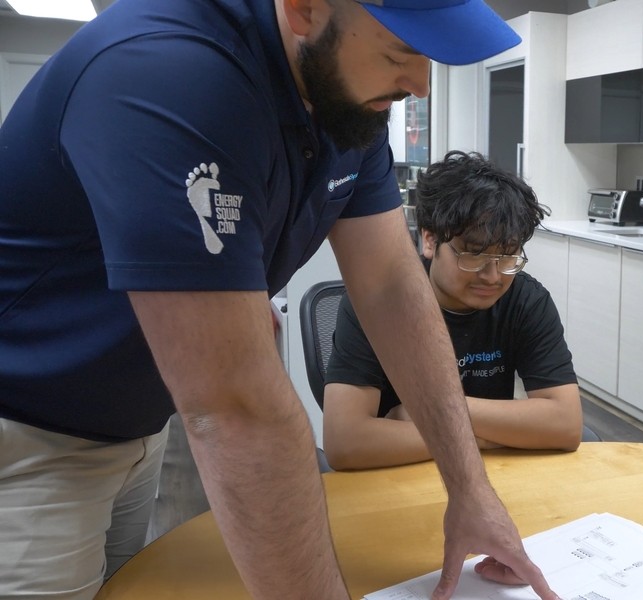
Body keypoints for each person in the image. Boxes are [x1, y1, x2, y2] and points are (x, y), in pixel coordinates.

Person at [0, 0, 563, 598]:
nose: (419, 85)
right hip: (31, 432)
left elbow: (394, 289)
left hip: (138, 421)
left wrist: (470, 492)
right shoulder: (170, 73)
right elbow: (238, 409)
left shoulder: (344, 105)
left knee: (127, 585)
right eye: (401, 52)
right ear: (305, 9)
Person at [323, 150, 583, 470]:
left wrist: (432, 413)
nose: (492, 276)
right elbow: (346, 442)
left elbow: (567, 424)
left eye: (508, 257)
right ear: (430, 240)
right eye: (473, 256)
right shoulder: (380, 301)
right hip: (396, 474)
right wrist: (482, 438)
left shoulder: (526, 299)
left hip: (484, 474)